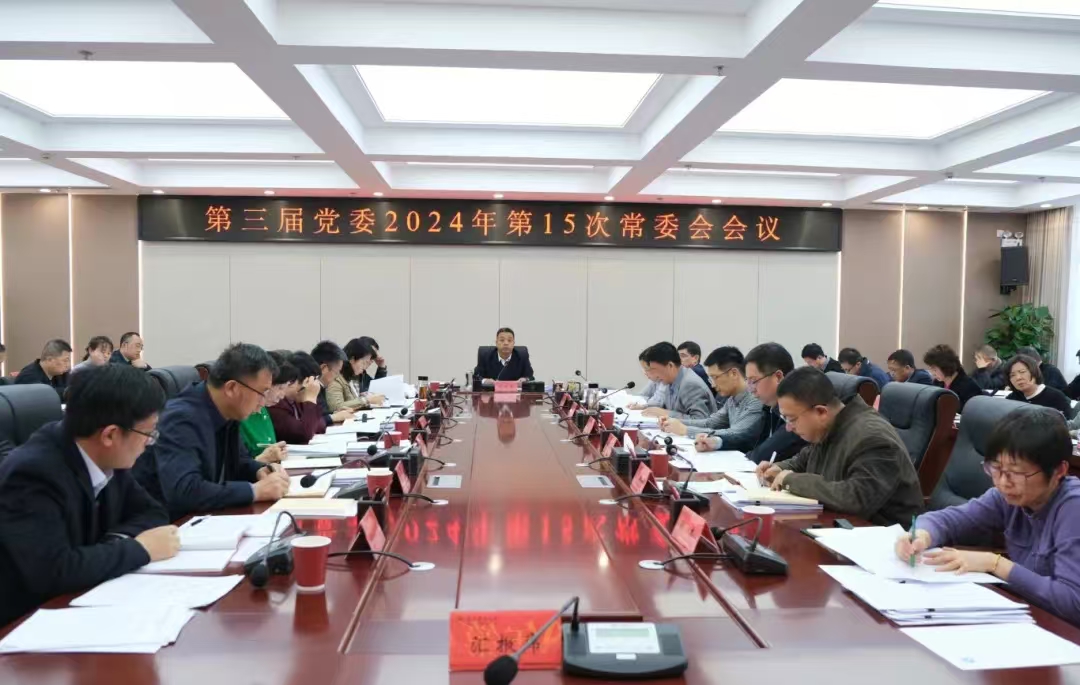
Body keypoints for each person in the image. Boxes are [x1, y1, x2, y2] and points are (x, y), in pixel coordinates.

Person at [0, 364, 178, 626]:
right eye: (148, 434)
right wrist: (139, 549)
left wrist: (111, 544)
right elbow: (53, 571)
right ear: (110, 435)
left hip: (85, 601)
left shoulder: (107, 457)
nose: (149, 442)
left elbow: (153, 512)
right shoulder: (33, 474)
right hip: (27, 625)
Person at [895, 409, 1080, 625]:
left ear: (1059, 470)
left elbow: (1072, 601)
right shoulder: (1007, 497)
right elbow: (950, 520)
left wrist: (995, 564)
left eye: (1016, 473)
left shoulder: (1073, 508)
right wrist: (921, 535)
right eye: (996, 469)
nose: (1003, 482)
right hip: (1025, 615)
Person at [132, 343, 290, 520]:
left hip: (207, 516)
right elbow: (185, 490)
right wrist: (254, 491)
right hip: (170, 524)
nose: (263, 401)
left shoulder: (228, 412)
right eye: (262, 392)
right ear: (232, 388)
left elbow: (239, 462)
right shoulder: (181, 419)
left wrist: (259, 470)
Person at [757, 367, 923, 526]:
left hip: (884, 537)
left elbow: (856, 498)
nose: (788, 427)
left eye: (792, 419)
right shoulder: (831, 425)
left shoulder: (872, 437)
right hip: (839, 526)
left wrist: (790, 480)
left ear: (821, 412)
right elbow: (804, 460)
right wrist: (779, 468)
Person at [660, 346, 763, 452]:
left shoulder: (755, 400)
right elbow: (710, 423)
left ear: (734, 373)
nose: (713, 385)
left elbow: (735, 433)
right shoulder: (732, 399)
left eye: (715, 377)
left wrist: (686, 430)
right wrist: (675, 422)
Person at [744, 342, 808, 464]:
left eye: (754, 381)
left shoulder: (797, 410)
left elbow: (760, 456)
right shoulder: (769, 408)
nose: (750, 389)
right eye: (747, 381)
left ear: (778, 377)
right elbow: (749, 437)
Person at [238, 350, 295, 464]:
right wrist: (262, 459)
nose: (282, 395)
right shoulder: (237, 415)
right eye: (279, 388)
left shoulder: (262, 408)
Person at [639, 342, 716, 421]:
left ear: (670, 366)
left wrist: (665, 413)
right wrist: (646, 407)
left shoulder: (690, 384)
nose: (654, 375)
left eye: (654, 369)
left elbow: (700, 420)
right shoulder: (670, 380)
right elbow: (667, 408)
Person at [268, 352, 327, 444]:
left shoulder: (297, 399)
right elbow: (303, 435)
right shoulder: (276, 402)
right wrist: (310, 399)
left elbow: (321, 425)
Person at [327, 338, 386, 412]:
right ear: (352, 359)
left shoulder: (353, 375)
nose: (365, 367)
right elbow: (336, 407)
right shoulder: (336, 377)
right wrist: (366, 400)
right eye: (364, 363)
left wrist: (362, 397)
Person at [1003, 355, 1073, 416]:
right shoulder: (1012, 399)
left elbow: (1065, 424)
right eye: (1012, 375)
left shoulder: (1056, 397)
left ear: (1034, 372)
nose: (1018, 378)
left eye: (1022, 372)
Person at [923, 344, 984, 412]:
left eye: (934, 369)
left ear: (945, 367)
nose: (932, 373)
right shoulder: (937, 383)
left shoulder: (969, 387)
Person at [311, 341, 356, 426]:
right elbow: (310, 422)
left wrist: (335, 413)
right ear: (324, 368)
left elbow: (322, 414)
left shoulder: (321, 385)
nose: (337, 377)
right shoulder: (308, 388)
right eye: (337, 372)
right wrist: (333, 417)